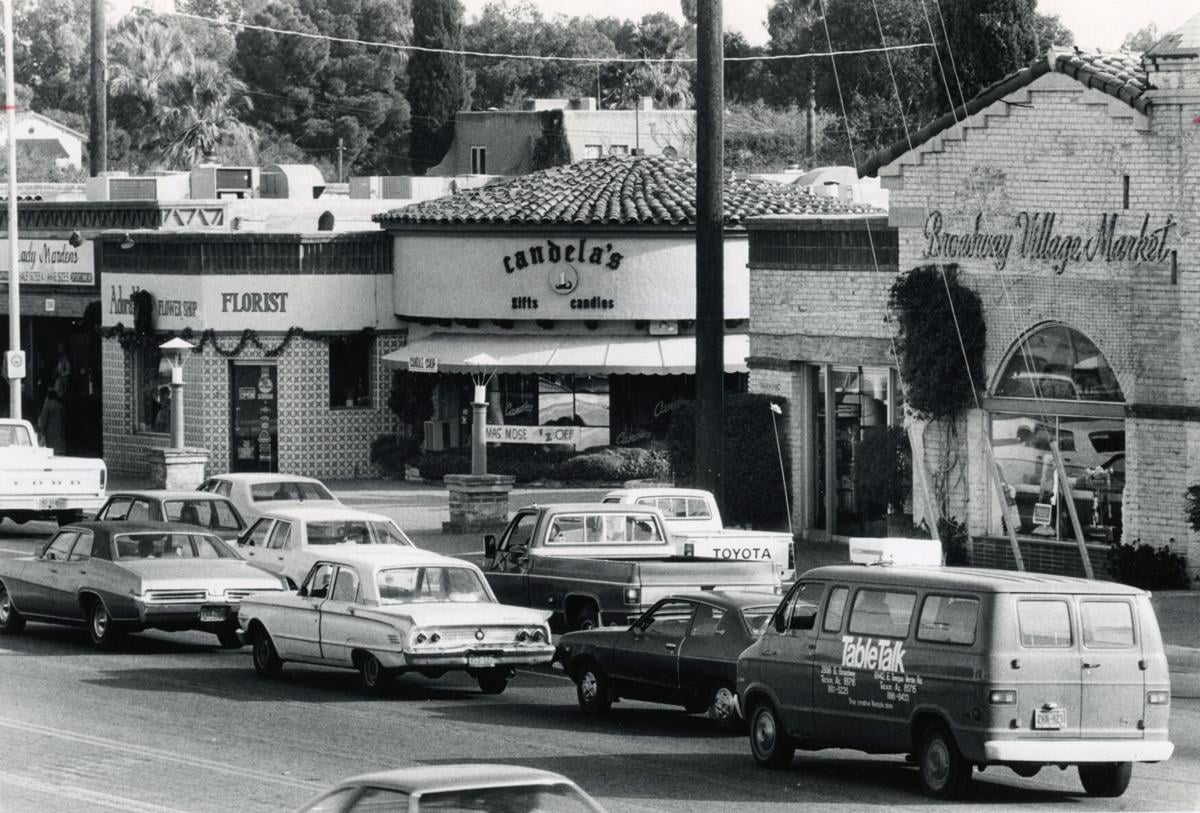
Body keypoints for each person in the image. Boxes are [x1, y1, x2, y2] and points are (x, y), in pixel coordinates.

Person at [37, 390, 67, 455]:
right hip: (60, 430)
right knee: (60, 447)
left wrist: (41, 432)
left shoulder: (47, 406)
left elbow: (44, 420)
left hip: (50, 431)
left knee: (51, 449)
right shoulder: (60, 406)